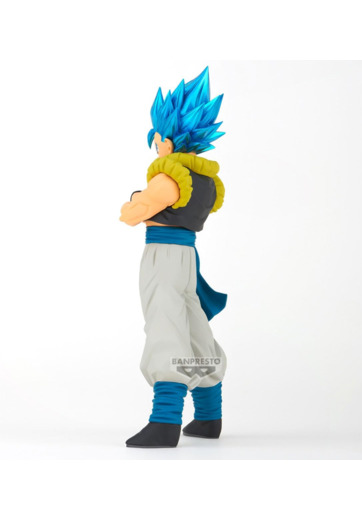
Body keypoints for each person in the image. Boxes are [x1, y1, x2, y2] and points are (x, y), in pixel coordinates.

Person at [119, 66, 228, 448]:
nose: (156, 143)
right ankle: (209, 415)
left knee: (165, 326)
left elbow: (130, 215)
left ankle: (165, 422)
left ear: (166, 140)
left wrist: (136, 199)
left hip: (163, 256)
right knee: (195, 329)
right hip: (187, 258)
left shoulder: (168, 178)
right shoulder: (206, 181)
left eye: (157, 138)